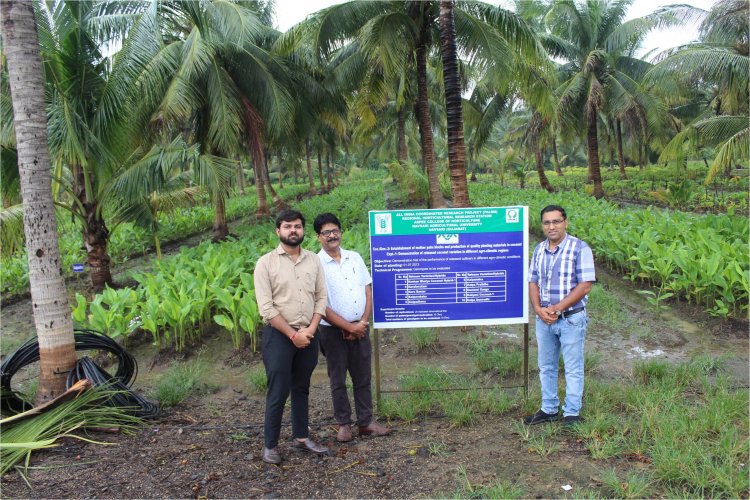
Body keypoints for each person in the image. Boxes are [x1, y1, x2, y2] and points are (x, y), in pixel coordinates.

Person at [254, 209, 329, 464]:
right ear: (278, 231)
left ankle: (301, 438)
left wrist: (309, 330)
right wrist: (292, 334)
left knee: (302, 388)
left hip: (308, 335)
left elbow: (321, 297)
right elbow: (266, 308)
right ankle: (270, 446)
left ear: (303, 230)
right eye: (287, 226)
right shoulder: (265, 263)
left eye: (297, 226)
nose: (293, 230)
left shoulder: (313, 260)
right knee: (278, 390)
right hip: (279, 336)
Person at [314, 213, 392, 442]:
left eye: (335, 230)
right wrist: (347, 326)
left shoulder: (355, 258)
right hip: (332, 331)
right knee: (337, 379)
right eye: (326, 232)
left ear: (341, 232)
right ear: (318, 237)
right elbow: (321, 303)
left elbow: (367, 290)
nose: (332, 235)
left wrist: (361, 323)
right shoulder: (316, 264)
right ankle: (344, 424)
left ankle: (366, 422)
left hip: (361, 326)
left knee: (363, 376)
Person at [524, 205, 595, 426]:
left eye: (556, 221)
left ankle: (571, 413)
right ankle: (549, 408)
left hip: (571, 319)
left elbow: (584, 286)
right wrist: (537, 308)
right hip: (544, 319)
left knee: (573, 367)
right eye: (547, 222)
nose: (551, 226)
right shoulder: (539, 250)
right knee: (546, 365)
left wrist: (556, 309)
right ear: (542, 226)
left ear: (565, 222)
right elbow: (533, 281)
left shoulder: (579, 248)